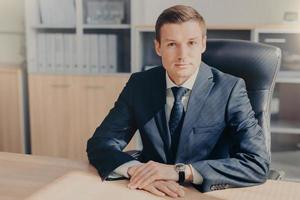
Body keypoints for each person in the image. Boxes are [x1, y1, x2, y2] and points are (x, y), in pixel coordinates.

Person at [87, 5, 269, 198]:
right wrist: (137, 171)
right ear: (158, 47)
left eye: (191, 43)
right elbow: (101, 143)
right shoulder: (139, 85)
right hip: (151, 193)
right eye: (172, 44)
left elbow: (257, 163)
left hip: (203, 193)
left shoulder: (230, 89)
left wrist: (180, 172)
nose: (182, 55)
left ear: (203, 44)